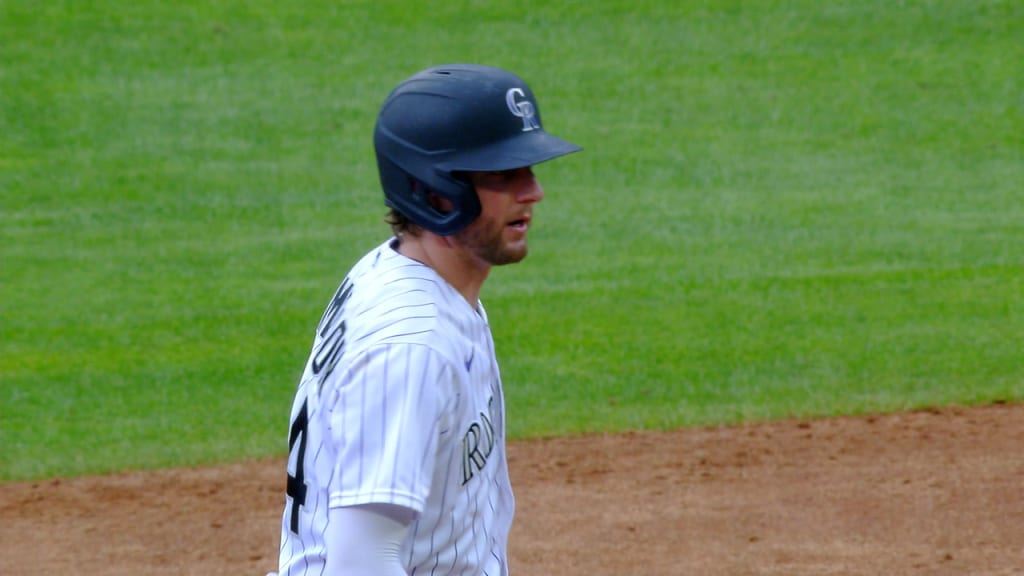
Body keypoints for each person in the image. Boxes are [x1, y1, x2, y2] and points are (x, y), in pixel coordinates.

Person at [273, 63, 581, 576]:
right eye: (504, 175)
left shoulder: (405, 272)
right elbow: (360, 563)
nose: (533, 192)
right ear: (435, 191)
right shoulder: (411, 344)